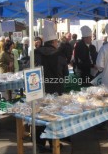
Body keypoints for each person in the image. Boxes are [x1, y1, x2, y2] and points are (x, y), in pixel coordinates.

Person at [35, 21, 69, 152]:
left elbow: (28, 70)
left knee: (40, 117)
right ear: (54, 41)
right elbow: (65, 73)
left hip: (40, 91)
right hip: (56, 90)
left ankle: (40, 143)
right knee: (54, 117)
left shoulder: (36, 53)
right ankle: (55, 143)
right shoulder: (60, 55)